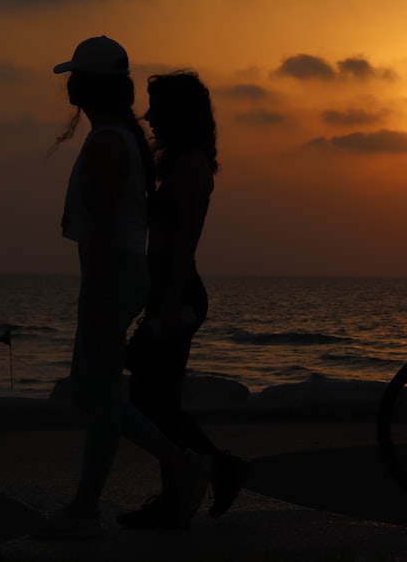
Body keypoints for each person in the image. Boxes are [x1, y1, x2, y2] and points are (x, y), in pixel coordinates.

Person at [36, 37, 211, 538]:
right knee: (91, 395)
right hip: (118, 274)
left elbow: (108, 229)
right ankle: (179, 465)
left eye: (74, 76)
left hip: (111, 274)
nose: (67, 83)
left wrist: (94, 298)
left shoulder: (109, 142)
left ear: (89, 85)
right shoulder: (119, 137)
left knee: (100, 396)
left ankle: (88, 507)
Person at [118, 71, 248, 529]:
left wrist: (168, 303)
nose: (149, 115)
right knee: (158, 402)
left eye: (156, 107)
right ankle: (180, 496)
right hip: (164, 290)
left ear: (179, 113)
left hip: (178, 291)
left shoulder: (191, 166)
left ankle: (208, 472)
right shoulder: (176, 163)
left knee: (147, 403)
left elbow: (184, 241)